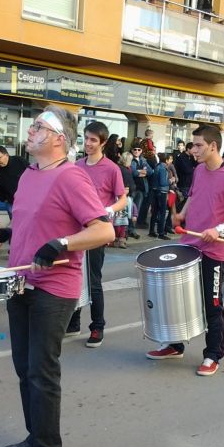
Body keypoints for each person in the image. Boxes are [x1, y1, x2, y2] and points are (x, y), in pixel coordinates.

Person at [0, 105, 114, 447]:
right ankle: (33, 435)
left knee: (42, 372)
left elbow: (103, 231)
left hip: (54, 289)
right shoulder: (29, 174)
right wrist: (12, 234)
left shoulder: (71, 177)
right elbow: (34, 221)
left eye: (39, 127)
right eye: (33, 126)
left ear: (59, 139)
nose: (31, 131)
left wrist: (63, 242)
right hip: (20, 283)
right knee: (23, 368)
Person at [146, 124, 224, 376]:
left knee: (211, 304)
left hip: (213, 251)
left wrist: (220, 228)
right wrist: (181, 214)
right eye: (193, 145)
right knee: (179, 300)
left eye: (198, 145)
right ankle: (175, 344)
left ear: (213, 146)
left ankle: (213, 354)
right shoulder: (201, 170)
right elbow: (194, 196)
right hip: (188, 246)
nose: (193, 150)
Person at [66, 121, 127, 346]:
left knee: (92, 280)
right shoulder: (76, 166)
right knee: (73, 276)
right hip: (74, 230)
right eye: (86, 138)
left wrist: (108, 209)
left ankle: (97, 326)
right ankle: (73, 322)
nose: (88, 144)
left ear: (103, 142)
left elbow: (122, 199)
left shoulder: (112, 168)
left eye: (93, 140)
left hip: (96, 231)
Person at [0, 145, 29, 220]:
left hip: (27, 200)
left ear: (6, 155)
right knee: (13, 225)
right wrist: (3, 198)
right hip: (11, 203)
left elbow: (32, 173)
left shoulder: (19, 161)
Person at [130, 139, 154, 229]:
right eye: (135, 149)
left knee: (137, 211)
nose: (137, 151)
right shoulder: (130, 159)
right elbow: (133, 173)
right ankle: (129, 229)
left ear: (141, 151)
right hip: (132, 188)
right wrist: (142, 172)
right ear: (132, 150)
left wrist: (140, 172)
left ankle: (132, 228)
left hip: (142, 188)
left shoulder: (143, 160)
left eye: (139, 149)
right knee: (130, 210)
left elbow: (151, 171)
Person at [148, 152, 171, 239]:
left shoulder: (157, 166)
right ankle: (161, 232)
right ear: (167, 160)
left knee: (155, 212)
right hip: (162, 192)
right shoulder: (163, 168)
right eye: (170, 159)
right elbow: (163, 182)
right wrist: (170, 181)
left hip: (155, 191)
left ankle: (152, 231)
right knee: (162, 212)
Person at [118, 151, 140, 239]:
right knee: (125, 215)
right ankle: (123, 235)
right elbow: (128, 182)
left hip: (127, 192)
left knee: (127, 214)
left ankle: (125, 233)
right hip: (126, 194)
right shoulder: (124, 170)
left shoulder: (125, 168)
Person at [174, 142, 197, 211]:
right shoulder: (181, 157)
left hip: (190, 183)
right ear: (188, 149)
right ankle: (174, 219)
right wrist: (193, 168)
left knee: (186, 205)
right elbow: (187, 170)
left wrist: (195, 160)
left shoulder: (192, 157)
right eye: (193, 149)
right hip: (183, 184)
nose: (195, 151)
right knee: (182, 204)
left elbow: (197, 167)